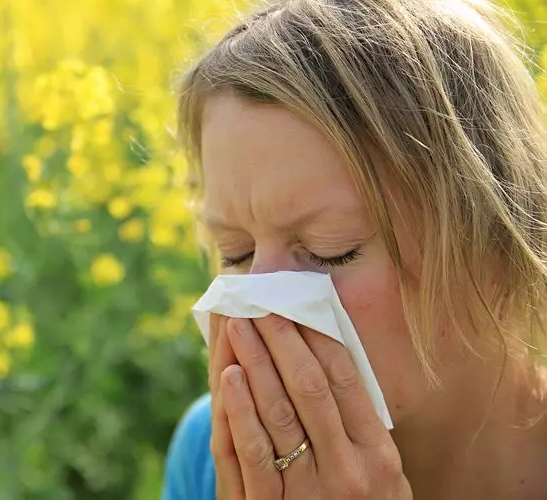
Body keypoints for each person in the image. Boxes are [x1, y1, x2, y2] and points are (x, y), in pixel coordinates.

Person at [161, 0, 547, 498]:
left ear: (497, 243)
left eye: (330, 251)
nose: (259, 305)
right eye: (237, 253)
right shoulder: (215, 454)